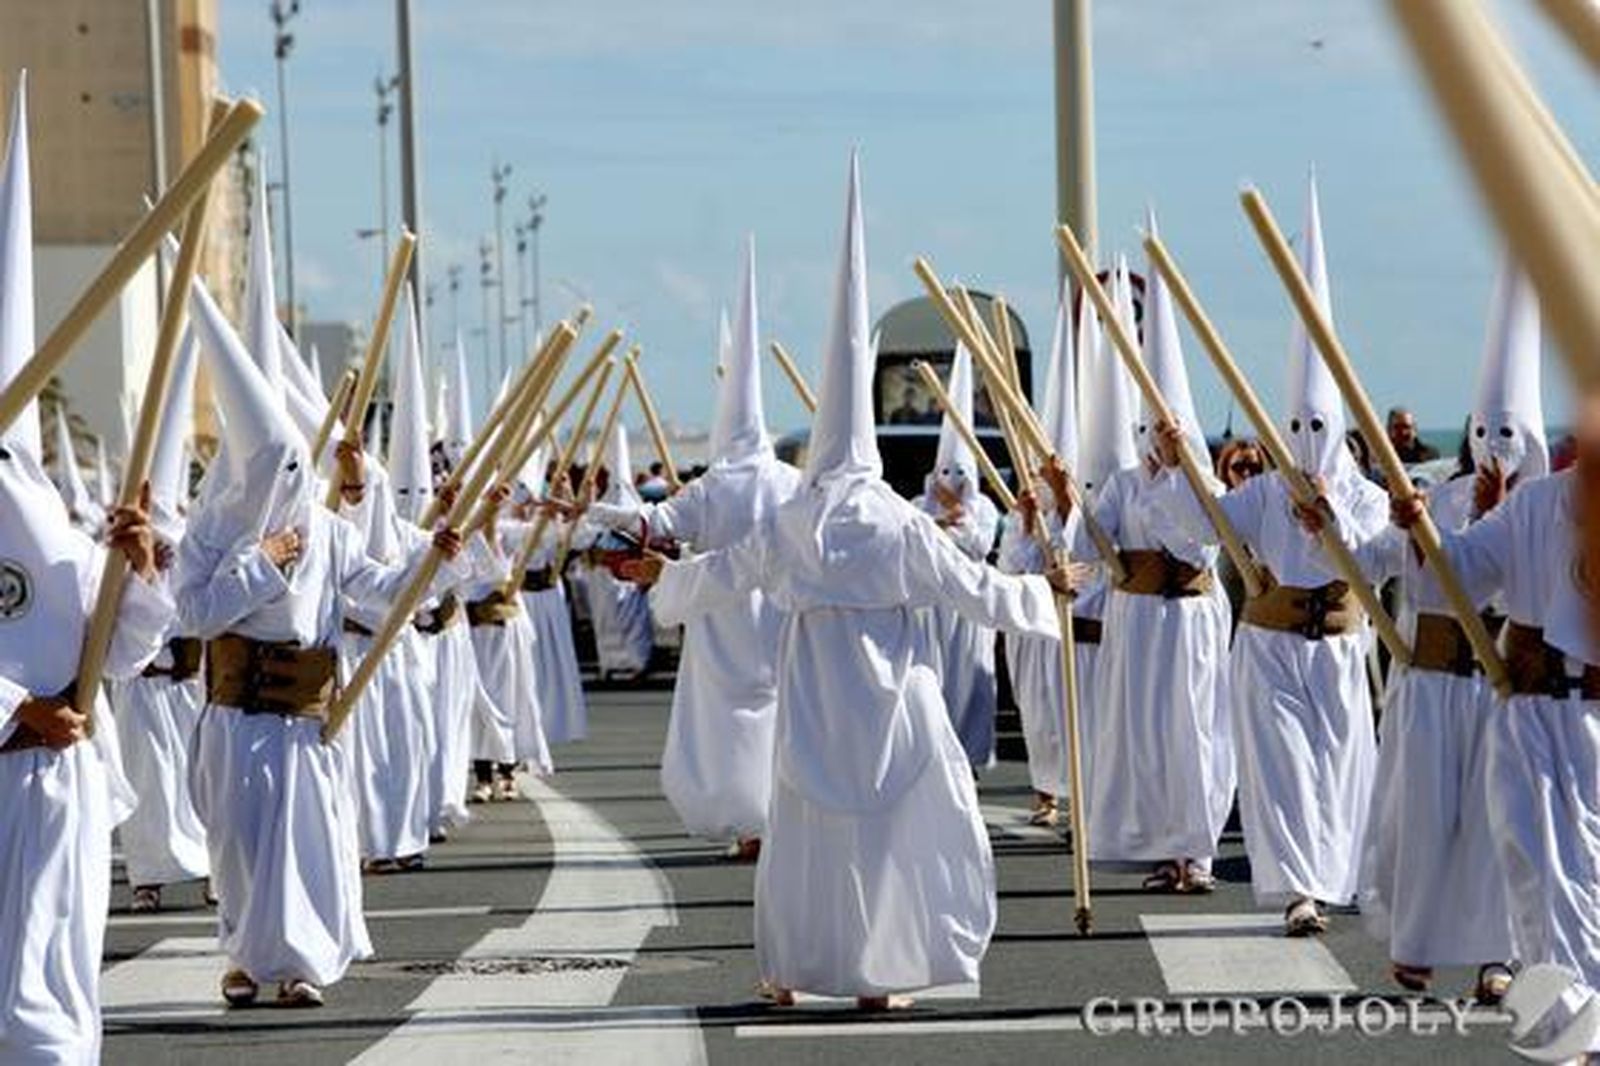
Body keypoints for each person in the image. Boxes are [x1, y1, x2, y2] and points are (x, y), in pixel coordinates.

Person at [625, 156, 1068, 1010]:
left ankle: (800, 966)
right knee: (897, 831)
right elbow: (972, 587)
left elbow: (721, 576)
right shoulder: (896, 521)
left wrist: (665, 579)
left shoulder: (793, 519)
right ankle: (883, 972)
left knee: (807, 839)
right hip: (890, 696)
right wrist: (1047, 590)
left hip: (815, 699)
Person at [176, 286, 465, 1008]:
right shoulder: (215, 532)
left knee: (302, 846)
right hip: (238, 713)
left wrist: (437, 561)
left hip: (308, 716)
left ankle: (297, 962)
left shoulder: (331, 533)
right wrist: (262, 561)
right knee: (239, 851)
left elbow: (383, 592)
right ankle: (245, 957)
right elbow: (195, 614)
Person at [1148, 178, 1386, 936]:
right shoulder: (1264, 494)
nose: (1308, 437)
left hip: (1343, 650)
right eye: (1297, 424)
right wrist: (1180, 465)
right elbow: (1195, 524)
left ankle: (1341, 877)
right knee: (1283, 770)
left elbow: (1379, 560)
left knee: (1339, 768)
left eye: (1320, 423)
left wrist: (1331, 520)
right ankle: (1297, 892)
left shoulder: (1366, 495)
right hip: (1274, 646)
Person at [1353, 261, 1540, 1002]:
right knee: (1425, 819)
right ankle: (1419, 942)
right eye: (1485, 428)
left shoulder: (1551, 510)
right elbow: (1401, 569)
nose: (1496, 442)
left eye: (1511, 429)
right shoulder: (1435, 496)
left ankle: (1502, 952)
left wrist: (1497, 519)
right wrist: (1386, 530)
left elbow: (1519, 586)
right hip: (1434, 681)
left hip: (1503, 688)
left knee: (1503, 826)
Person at [582, 238, 799, 858]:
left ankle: (751, 822)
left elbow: (649, 525)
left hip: (720, 618)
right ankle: (778, 819)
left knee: (729, 728)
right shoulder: (792, 483)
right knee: (782, 718)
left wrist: (590, 508)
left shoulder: (713, 486)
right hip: (782, 621)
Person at [1076, 214, 1235, 893]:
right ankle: (1158, 844)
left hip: (1192, 617)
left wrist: (1177, 474)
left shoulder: (1207, 483)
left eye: (1161, 429)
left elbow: (1197, 537)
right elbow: (1089, 539)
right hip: (1138, 620)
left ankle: (1195, 850)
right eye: (1144, 430)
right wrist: (1064, 499)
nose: (1150, 440)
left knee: (1192, 731)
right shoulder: (1122, 482)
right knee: (1143, 732)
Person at [107, 326, 209, 912]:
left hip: (187, 684)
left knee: (195, 780)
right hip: (141, 688)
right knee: (147, 782)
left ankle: (205, 866)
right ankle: (147, 875)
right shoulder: (118, 547)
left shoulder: (194, 548)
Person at [912, 344, 1002, 770]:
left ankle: (969, 757)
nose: (953, 481)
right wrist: (940, 522)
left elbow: (979, 545)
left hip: (971, 606)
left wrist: (953, 519)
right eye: (946, 472)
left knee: (973, 680)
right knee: (935, 680)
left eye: (961, 474)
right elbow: (917, 542)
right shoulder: (918, 504)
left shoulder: (983, 508)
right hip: (933, 608)